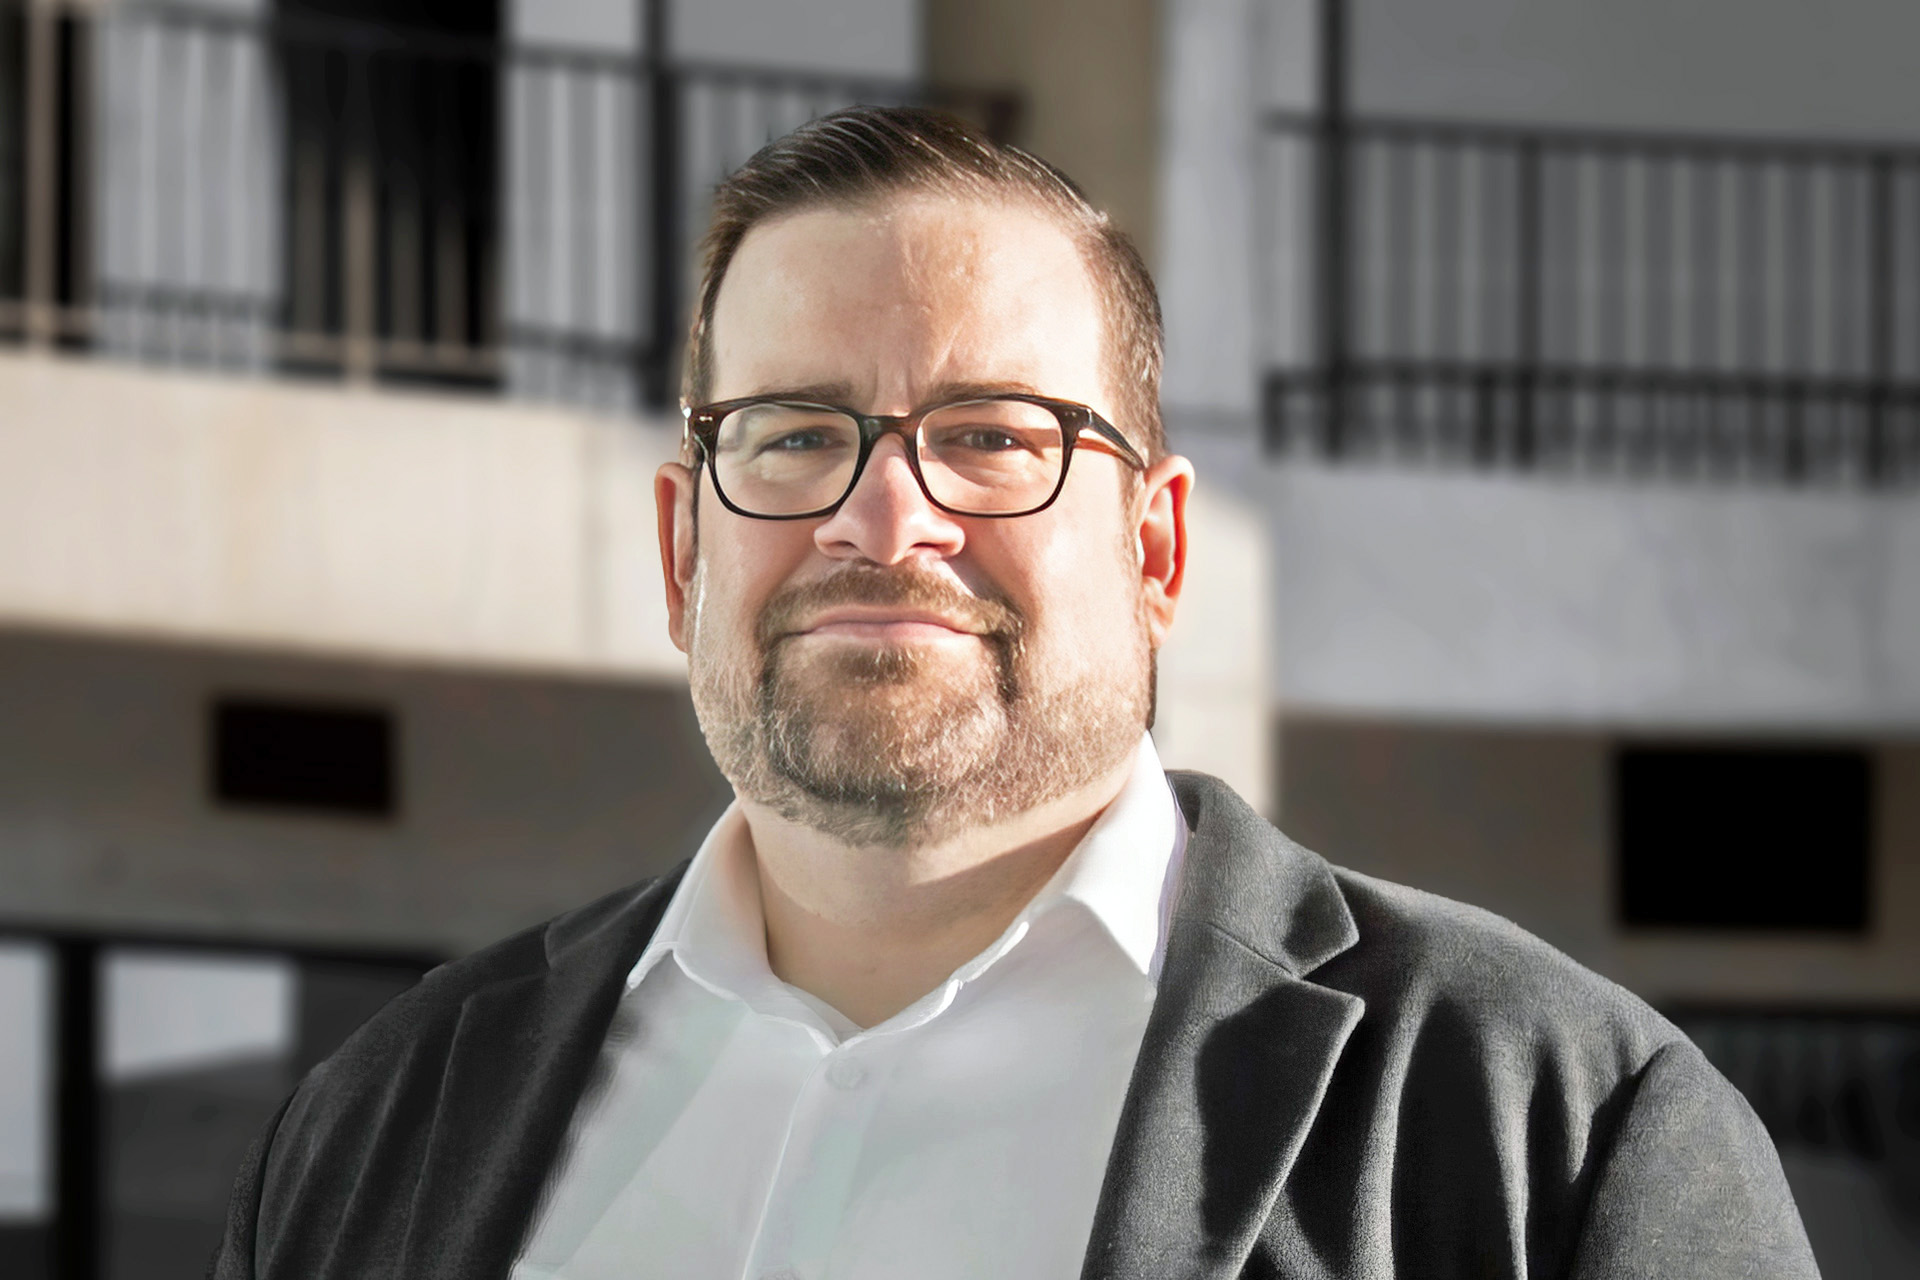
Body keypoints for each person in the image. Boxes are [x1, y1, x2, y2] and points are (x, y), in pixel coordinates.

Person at [211, 106, 1817, 1280]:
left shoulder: (1553, 1127)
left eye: (991, 435)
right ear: (680, 541)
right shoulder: (378, 1129)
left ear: (1157, 545)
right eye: (788, 433)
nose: (880, 519)